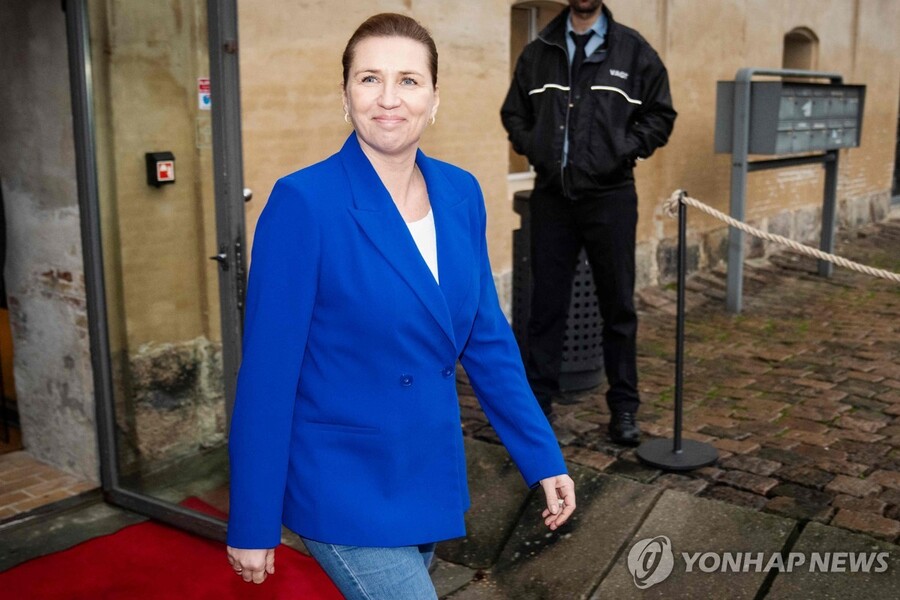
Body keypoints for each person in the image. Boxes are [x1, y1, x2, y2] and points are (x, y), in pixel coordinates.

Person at [225, 13, 576, 599]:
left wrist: (541, 455)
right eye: (369, 79)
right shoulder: (303, 203)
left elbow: (486, 339)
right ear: (345, 96)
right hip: (343, 482)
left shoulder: (461, 192)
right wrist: (253, 519)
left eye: (409, 81)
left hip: (427, 471)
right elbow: (267, 373)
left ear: (435, 99)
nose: (389, 98)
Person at [501, 0, 676, 445]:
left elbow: (660, 116)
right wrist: (537, 150)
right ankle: (538, 405)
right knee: (545, 306)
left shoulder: (634, 52)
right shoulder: (539, 50)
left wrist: (621, 150)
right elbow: (514, 113)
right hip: (553, 198)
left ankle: (623, 410)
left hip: (611, 197)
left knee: (618, 306)